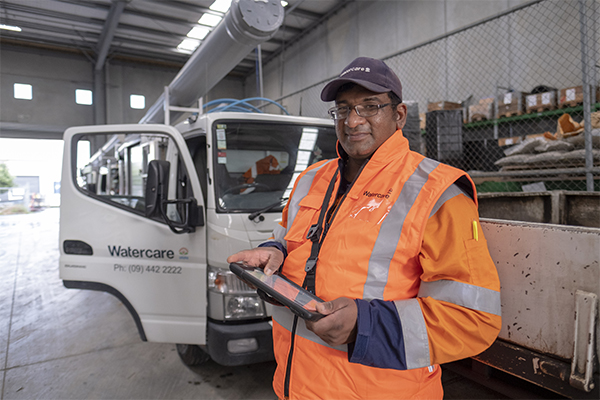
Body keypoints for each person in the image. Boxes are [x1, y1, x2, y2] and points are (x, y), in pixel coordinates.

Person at [228, 57, 501, 399]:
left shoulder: (436, 192)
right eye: (343, 109)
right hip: (296, 386)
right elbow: (291, 240)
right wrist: (273, 252)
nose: (353, 120)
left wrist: (365, 325)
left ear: (398, 115)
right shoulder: (311, 178)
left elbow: (473, 318)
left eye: (369, 107)